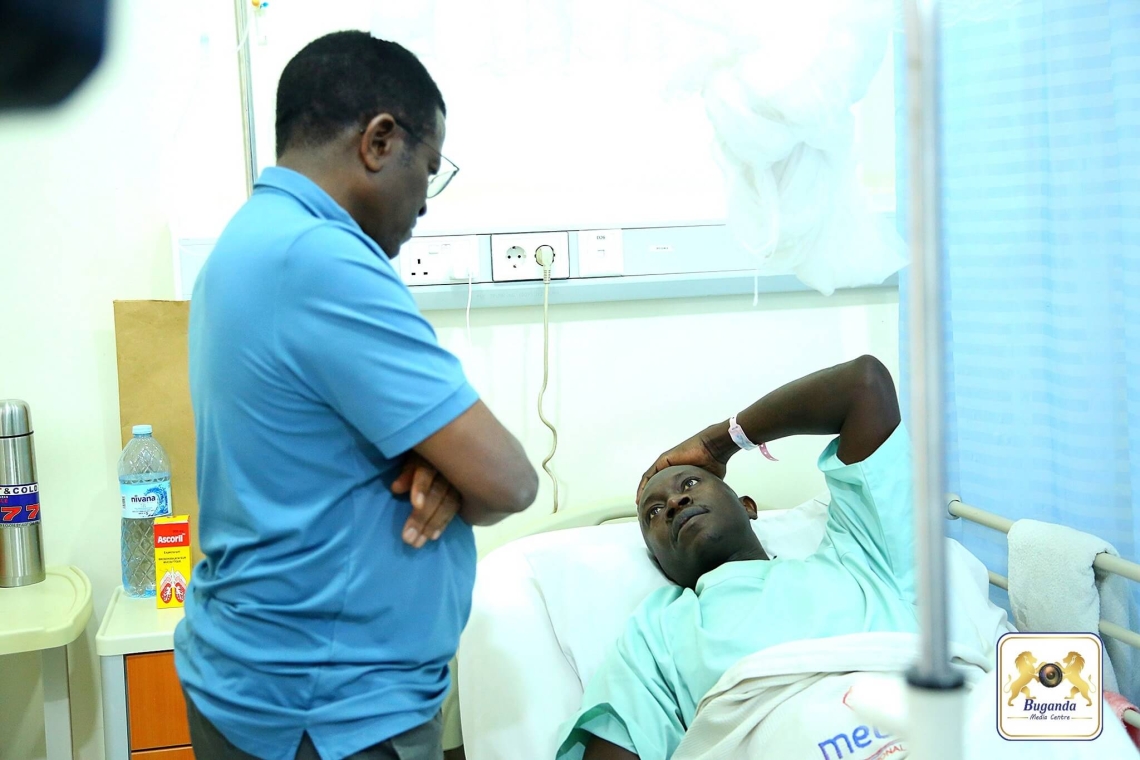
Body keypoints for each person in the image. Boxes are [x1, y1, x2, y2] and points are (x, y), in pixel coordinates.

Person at [176, 31, 538, 760]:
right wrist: (457, 473)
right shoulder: (322, 260)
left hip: (265, 685)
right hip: (331, 711)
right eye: (428, 170)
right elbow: (509, 482)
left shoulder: (250, 241)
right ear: (379, 140)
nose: (426, 204)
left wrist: (441, 467)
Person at [557, 355, 916, 760]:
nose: (674, 501)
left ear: (747, 506)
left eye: (690, 482)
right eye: (653, 513)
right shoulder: (657, 633)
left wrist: (720, 442)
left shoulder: (860, 555)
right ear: (657, 561)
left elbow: (864, 383)